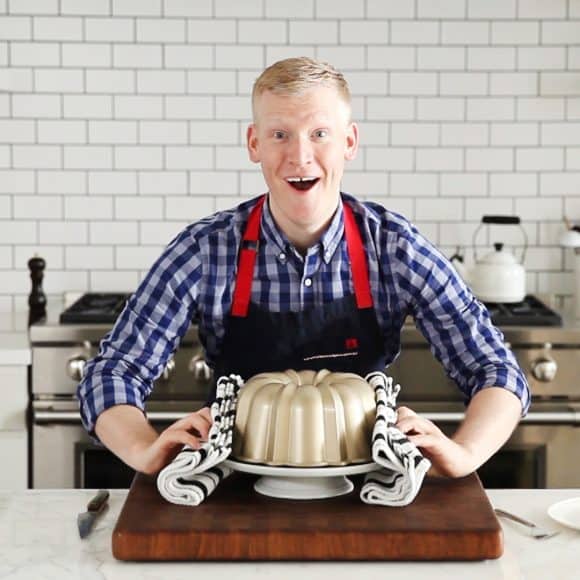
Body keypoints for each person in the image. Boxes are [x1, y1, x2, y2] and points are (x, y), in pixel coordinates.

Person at [78, 57, 529, 480]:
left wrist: (466, 453)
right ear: (254, 144)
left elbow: (495, 368)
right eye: (280, 135)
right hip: (231, 489)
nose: (300, 156)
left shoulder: (394, 249)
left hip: (368, 491)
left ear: (349, 142)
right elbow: (114, 372)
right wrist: (142, 449)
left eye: (319, 133)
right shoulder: (205, 251)